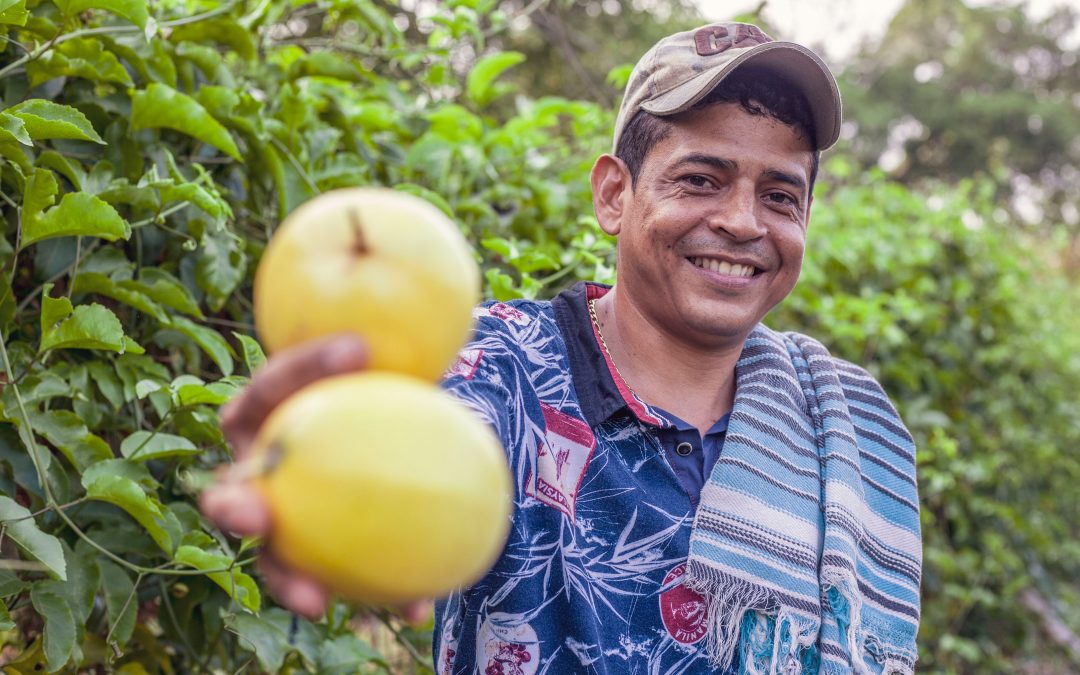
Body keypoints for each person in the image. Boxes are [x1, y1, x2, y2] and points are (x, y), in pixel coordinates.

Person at [201, 20, 922, 675]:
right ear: (613, 194)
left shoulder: (839, 421)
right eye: (700, 179)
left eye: (779, 196)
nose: (742, 222)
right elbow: (421, 438)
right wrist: (313, 463)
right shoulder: (501, 365)